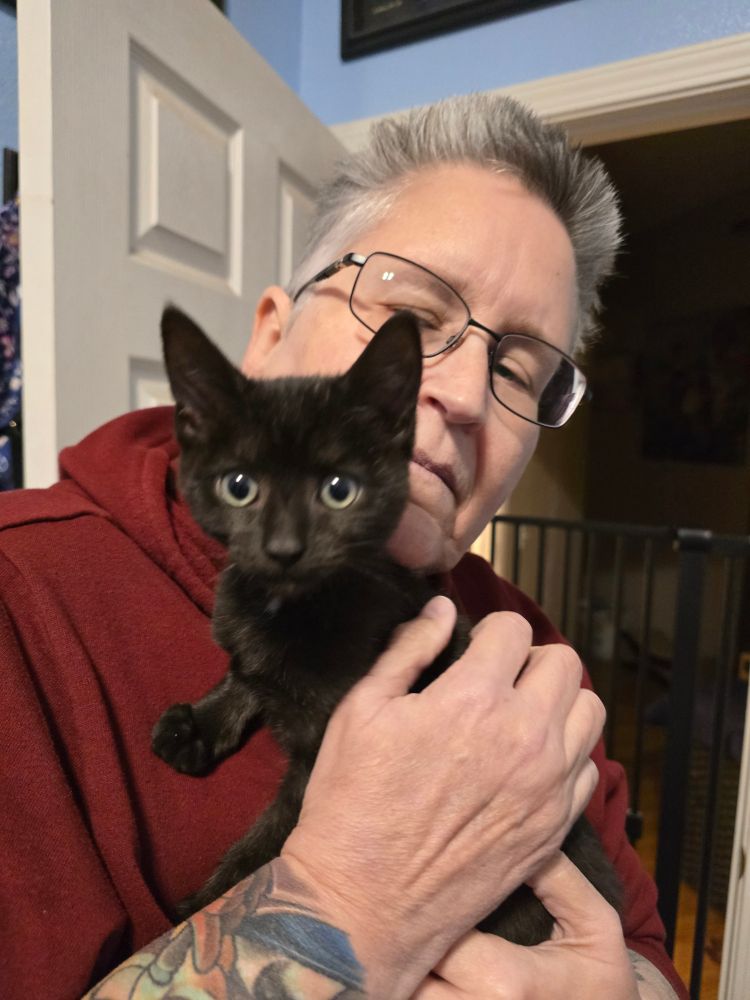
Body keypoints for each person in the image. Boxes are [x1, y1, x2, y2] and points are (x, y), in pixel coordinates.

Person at [0, 94, 687, 999]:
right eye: (412, 308)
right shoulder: (25, 593)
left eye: (518, 366)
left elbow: (645, 951)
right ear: (270, 335)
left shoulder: (527, 649)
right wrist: (351, 894)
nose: (464, 393)